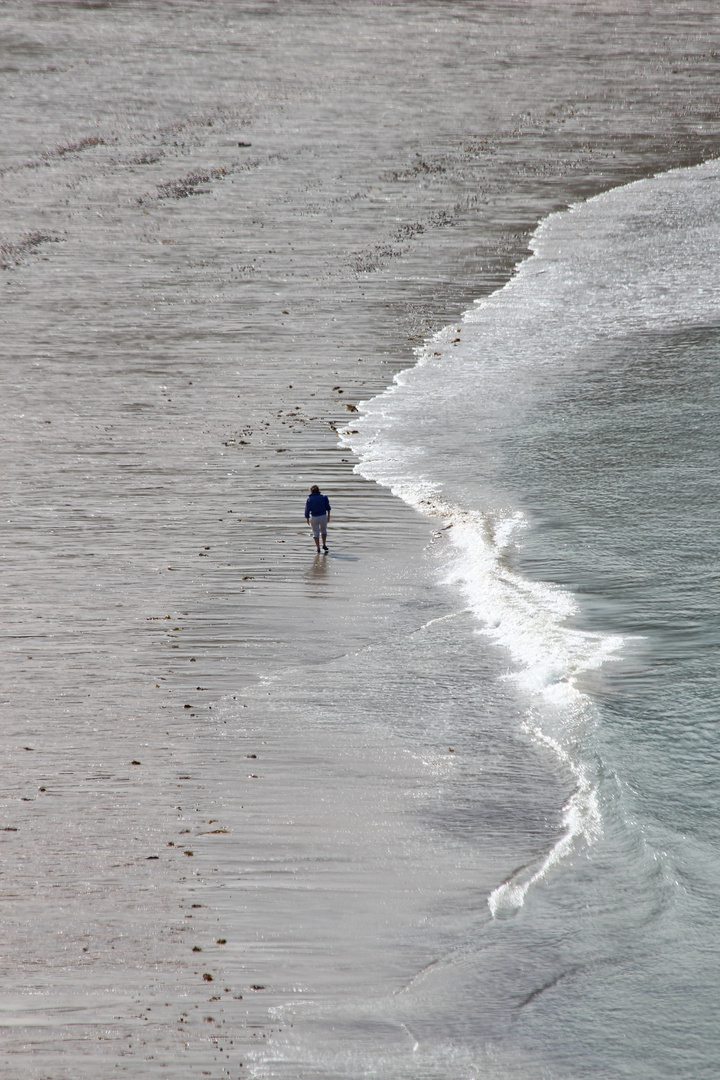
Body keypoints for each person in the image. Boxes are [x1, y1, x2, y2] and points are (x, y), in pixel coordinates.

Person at [304, 484, 331, 553]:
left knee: (315, 533)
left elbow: (307, 510)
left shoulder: (309, 499)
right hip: (323, 516)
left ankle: (318, 548)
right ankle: (324, 544)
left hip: (314, 517)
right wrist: (328, 516)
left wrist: (307, 517)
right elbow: (328, 507)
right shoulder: (324, 497)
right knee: (324, 530)